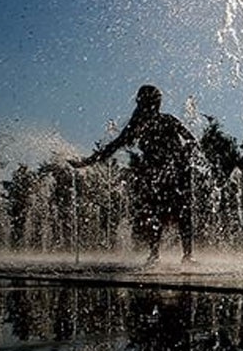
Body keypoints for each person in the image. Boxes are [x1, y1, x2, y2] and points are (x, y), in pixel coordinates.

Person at [70, 84, 197, 265]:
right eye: (156, 100)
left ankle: (175, 255)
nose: (157, 104)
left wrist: (184, 153)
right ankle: (167, 255)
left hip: (172, 174)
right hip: (160, 176)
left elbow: (192, 141)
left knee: (173, 213)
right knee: (164, 213)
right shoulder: (140, 125)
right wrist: (87, 162)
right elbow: (114, 146)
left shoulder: (166, 121)